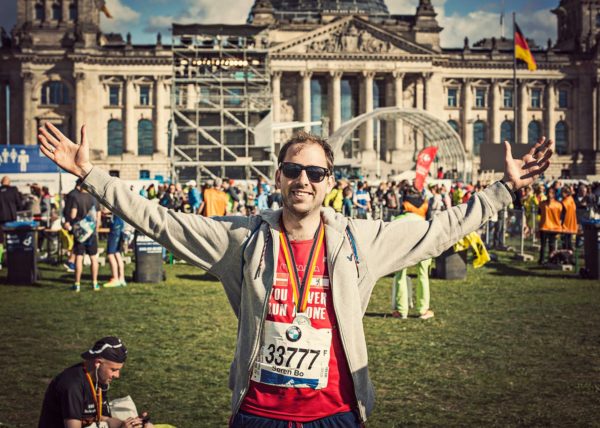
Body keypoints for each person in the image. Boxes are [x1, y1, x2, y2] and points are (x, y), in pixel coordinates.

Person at [38, 122, 553, 426]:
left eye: (315, 172)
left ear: (331, 182)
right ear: (278, 176)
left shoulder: (362, 239)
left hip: (336, 413)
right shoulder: (241, 240)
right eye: (293, 170)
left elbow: (439, 231)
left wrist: (503, 190)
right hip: (259, 412)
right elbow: (162, 221)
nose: (303, 179)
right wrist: (91, 175)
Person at [38, 336, 153, 428]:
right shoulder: (72, 386)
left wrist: (130, 424)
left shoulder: (98, 378)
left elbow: (103, 419)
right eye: (114, 370)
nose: (117, 375)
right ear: (98, 363)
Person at [67, 179, 101, 292]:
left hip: (81, 232)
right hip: (91, 232)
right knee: (93, 258)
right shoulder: (94, 198)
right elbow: (98, 216)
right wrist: (96, 228)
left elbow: (73, 214)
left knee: (79, 257)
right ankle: (95, 283)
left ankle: (77, 284)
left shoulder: (77, 197)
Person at [538, 187, 564, 264]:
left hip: (553, 228)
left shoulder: (558, 205)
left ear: (554, 194)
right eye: (549, 192)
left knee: (551, 245)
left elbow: (561, 217)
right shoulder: (542, 204)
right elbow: (539, 214)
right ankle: (541, 260)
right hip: (544, 226)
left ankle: (551, 259)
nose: (550, 194)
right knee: (543, 245)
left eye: (552, 193)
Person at [104, 213, 127, 288]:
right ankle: (121, 278)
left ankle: (115, 278)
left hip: (115, 226)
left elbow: (105, 210)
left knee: (110, 253)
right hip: (121, 225)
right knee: (117, 253)